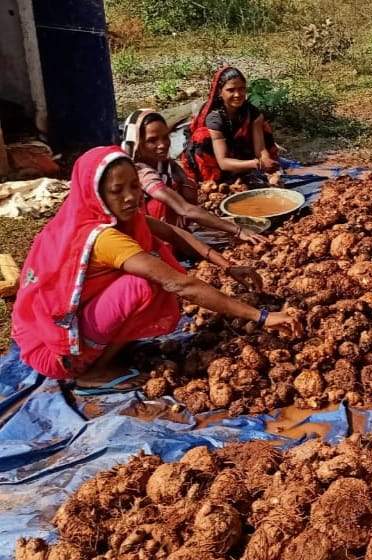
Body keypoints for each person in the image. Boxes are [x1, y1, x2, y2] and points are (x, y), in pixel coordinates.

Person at [12, 146, 301, 385]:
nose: (130, 197)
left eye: (134, 186)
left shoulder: (109, 217)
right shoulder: (104, 238)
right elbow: (180, 284)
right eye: (117, 190)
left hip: (57, 328)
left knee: (150, 277)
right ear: (96, 195)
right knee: (149, 282)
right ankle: (93, 373)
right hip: (60, 352)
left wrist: (227, 266)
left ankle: (103, 348)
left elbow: (172, 233)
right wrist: (261, 317)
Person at [122, 108, 266, 243]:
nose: (162, 145)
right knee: (162, 203)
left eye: (165, 137)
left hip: (176, 227)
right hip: (145, 238)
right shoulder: (138, 172)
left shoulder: (165, 164)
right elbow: (184, 209)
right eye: (152, 140)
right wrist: (237, 230)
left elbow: (189, 199)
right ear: (136, 143)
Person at [181, 66, 279, 184]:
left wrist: (266, 160)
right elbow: (223, 162)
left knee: (264, 128)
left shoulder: (251, 112)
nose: (237, 94)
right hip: (219, 163)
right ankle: (214, 181)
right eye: (231, 90)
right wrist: (255, 163)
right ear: (220, 92)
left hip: (244, 158)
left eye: (241, 89)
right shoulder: (215, 118)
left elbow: (260, 149)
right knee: (202, 136)